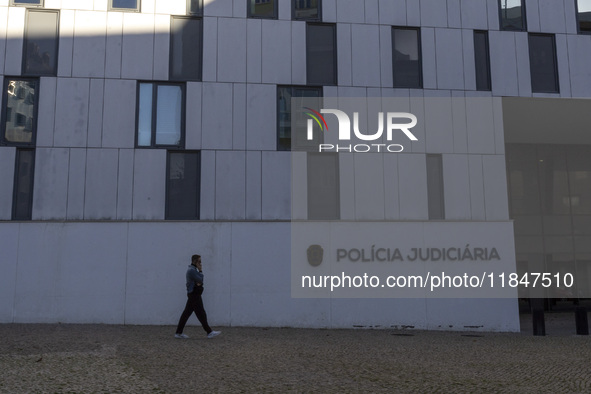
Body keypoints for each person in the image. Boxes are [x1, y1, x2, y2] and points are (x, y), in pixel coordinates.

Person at [175, 254, 221, 339]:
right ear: (195, 261)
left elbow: (200, 281)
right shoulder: (192, 271)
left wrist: (199, 279)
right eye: (199, 261)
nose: (201, 263)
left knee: (187, 313)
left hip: (193, 294)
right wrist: (200, 271)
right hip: (194, 294)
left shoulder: (192, 270)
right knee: (200, 313)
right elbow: (201, 280)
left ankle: (178, 332)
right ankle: (209, 332)